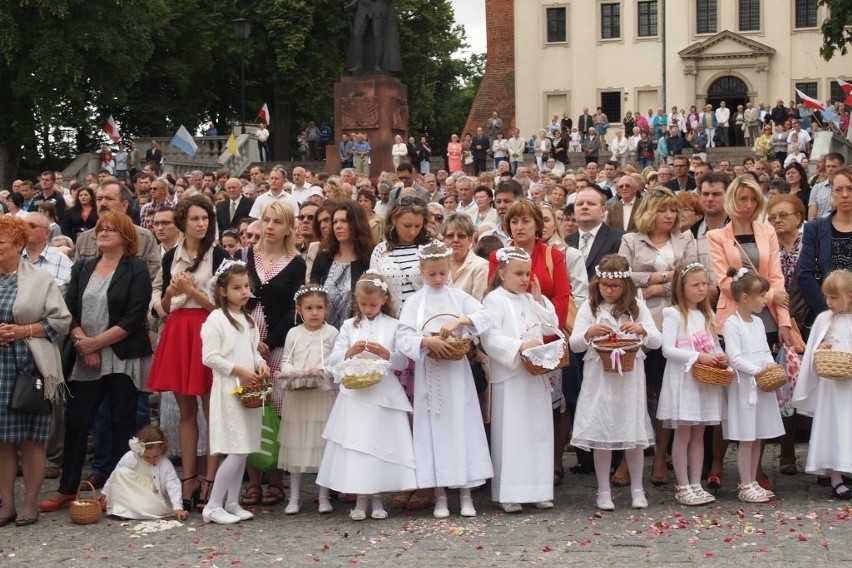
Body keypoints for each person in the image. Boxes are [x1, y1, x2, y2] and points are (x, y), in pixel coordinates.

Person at [39, 212, 151, 515]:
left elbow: (134, 316)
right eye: (101, 229)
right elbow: (69, 309)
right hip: (85, 356)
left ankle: (115, 488)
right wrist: (82, 343)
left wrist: (97, 343)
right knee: (77, 424)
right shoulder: (84, 266)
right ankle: (67, 488)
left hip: (121, 357)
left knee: (121, 424)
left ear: (126, 236)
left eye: (111, 229)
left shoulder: (136, 268)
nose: (103, 233)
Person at [397, 242, 493, 518]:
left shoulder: (458, 296)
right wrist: (426, 341)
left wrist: (458, 323)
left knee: (461, 426)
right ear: (422, 272)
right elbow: (403, 336)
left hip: (457, 374)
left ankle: (465, 492)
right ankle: (439, 493)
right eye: (432, 274)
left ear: (449, 269)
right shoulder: (415, 303)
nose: (438, 279)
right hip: (432, 374)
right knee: (434, 429)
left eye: (442, 273)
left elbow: (485, 315)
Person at [146, 195, 228, 511]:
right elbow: (165, 307)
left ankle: (211, 478)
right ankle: (189, 476)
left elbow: (225, 305)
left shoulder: (219, 255)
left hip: (208, 328)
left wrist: (192, 291)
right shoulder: (171, 257)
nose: (201, 224)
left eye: (205, 218)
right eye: (195, 218)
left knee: (211, 408)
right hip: (179, 328)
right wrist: (170, 293)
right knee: (186, 411)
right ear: (184, 222)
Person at [317, 273, 416, 520]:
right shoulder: (350, 325)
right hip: (356, 393)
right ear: (357, 302)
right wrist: (350, 352)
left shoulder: (394, 325)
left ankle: (378, 498)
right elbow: (333, 359)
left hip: (383, 393)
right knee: (359, 445)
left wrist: (386, 353)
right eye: (363, 305)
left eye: (373, 304)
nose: (368, 309)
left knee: (379, 444)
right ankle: (360, 499)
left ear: (383, 300)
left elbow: (403, 361)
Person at [568, 254, 661, 511]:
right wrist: (588, 333)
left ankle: (637, 488)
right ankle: (603, 490)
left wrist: (642, 330)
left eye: (615, 286)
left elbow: (657, 341)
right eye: (604, 285)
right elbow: (574, 344)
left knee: (631, 430)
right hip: (599, 376)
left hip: (630, 376)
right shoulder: (590, 307)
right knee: (602, 431)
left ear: (625, 287)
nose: (609, 291)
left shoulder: (637, 307)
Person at [618, 187, 697, 486]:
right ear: (650, 212)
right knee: (636, 392)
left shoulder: (684, 238)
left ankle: (661, 456)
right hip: (639, 321)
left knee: (665, 392)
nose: (669, 215)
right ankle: (629, 458)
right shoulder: (630, 240)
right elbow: (621, 275)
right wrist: (663, 277)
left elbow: (689, 275)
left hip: (674, 322)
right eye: (663, 210)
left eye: (673, 210)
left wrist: (657, 288)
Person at [0, 216, 70, 528]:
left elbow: (61, 322)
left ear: (17, 244)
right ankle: (6, 505)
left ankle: (30, 503)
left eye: (0, 242)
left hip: (29, 367)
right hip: (0, 368)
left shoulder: (41, 279)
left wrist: (21, 330)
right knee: (1, 441)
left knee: (31, 440)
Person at [480, 247, 557, 513]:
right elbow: (490, 338)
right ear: (502, 274)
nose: (524, 279)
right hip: (512, 375)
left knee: (538, 431)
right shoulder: (494, 300)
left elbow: (551, 326)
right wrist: (519, 347)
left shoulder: (528, 299)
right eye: (518, 274)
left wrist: (539, 300)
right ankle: (509, 491)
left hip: (534, 375)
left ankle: (539, 488)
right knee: (511, 433)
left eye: (527, 273)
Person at [240, 201, 305, 507]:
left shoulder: (295, 262)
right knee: (251, 404)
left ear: (288, 227)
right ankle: (253, 480)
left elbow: (295, 306)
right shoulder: (246, 257)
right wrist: (252, 339)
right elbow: (236, 298)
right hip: (247, 340)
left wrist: (271, 340)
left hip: (278, 342)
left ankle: (276, 480)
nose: (269, 226)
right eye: (266, 220)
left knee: (276, 409)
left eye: (277, 222)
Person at [200, 261, 268, 524]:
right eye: (237, 287)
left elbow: (253, 352)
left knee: (244, 447)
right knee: (236, 448)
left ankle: (232, 501)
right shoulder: (215, 319)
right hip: (229, 391)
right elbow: (210, 357)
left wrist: (260, 365)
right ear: (222, 291)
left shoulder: (249, 320)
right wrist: (238, 370)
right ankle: (213, 505)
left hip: (248, 389)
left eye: (247, 287)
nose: (244, 292)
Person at [658, 261, 726, 506]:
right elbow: (667, 350)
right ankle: (683, 484)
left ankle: (696, 482)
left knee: (699, 434)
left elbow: (714, 345)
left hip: (703, 381)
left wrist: (719, 356)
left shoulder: (707, 314)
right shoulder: (673, 314)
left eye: (704, 284)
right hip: (684, 380)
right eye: (695, 285)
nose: (701, 289)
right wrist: (698, 356)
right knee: (684, 433)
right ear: (681, 287)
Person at [722, 267, 785, 503]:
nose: (764, 300)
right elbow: (734, 357)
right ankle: (745, 482)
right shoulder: (732, 324)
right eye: (761, 296)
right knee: (746, 436)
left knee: (758, 435)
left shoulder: (758, 322)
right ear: (745, 297)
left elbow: (765, 352)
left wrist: (771, 368)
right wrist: (758, 371)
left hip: (762, 386)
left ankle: (754, 480)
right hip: (745, 385)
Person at [276, 285, 338, 515]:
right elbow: (287, 361)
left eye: (319, 308)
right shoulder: (294, 333)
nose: (314, 313)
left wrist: (320, 370)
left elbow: (334, 362)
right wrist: (296, 372)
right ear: (299, 310)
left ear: (327, 309)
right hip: (298, 395)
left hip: (322, 395)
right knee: (296, 444)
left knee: (322, 445)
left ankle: (323, 495)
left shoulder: (331, 333)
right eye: (309, 308)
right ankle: (294, 496)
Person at [793, 270, 852, 499]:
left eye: (834, 297)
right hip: (832, 387)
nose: (829, 302)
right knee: (834, 426)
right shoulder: (823, 320)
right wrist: (821, 349)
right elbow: (813, 352)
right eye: (827, 297)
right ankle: (835, 476)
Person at [100, 425, 187, 520]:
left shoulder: (165, 464)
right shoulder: (130, 457)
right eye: (147, 457)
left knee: (149, 505)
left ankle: (133, 511)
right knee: (121, 473)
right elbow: (114, 475)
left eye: (155, 456)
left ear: (162, 449)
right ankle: (123, 509)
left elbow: (173, 485)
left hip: (153, 498)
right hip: (132, 494)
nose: (151, 460)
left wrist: (177, 506)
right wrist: (105, 492)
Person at [310, 200, 374, 328]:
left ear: (357, 223)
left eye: (344, 221)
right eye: (335, 222)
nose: (337, 226)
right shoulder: (323, 257)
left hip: (357, 332)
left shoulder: (369, 259)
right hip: (323, 333)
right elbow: (312, 294)